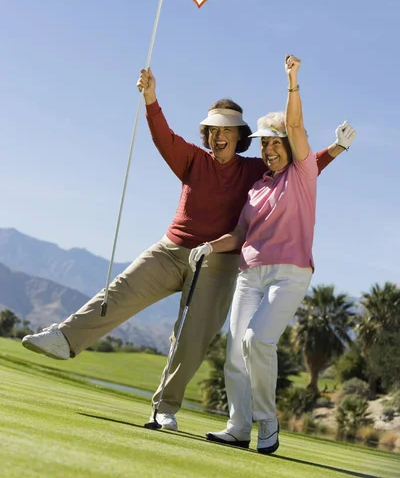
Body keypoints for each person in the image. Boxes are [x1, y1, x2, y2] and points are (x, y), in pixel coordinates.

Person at [22, 66, 355, 432]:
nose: (218, 136)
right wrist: (151, 98)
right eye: (212, 130)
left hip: (219, 262)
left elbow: (303, 165)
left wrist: (335, 148)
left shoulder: (253, 169)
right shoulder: (192, 159)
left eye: (226, 130)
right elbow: (163, 137)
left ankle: (164, 409)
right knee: (120, 291)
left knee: (190, 338)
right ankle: (65, 338)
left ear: (239, 136)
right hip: (172, 249)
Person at [189, 55, 356, 453]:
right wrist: (208, 247)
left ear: (288, 145)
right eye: (263, 143)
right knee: (235, 350)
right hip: (250, 274)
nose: (268, 149)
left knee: (257, 340)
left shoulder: (303, 173)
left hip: (290, 274)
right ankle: (237, 426)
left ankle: (267, 422)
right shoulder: (257, 188)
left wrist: (292, 81)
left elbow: (295, 124)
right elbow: (240, 233)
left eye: (274, 142)